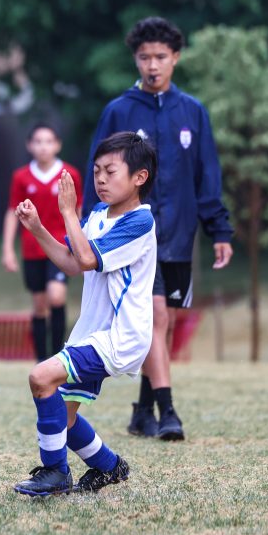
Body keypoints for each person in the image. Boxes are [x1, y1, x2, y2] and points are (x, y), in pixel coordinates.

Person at [82, 17, 233, 441]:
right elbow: (99, 171)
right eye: (145, 57)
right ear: (135, 59)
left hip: (179, 235)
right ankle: (168, 412)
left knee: (160, 324)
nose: (152, 65)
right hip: (134, 234)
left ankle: (141, 411)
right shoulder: (119, 110)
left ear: (176, 58)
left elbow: (207, 174)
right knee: (157, 316)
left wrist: (219, 230)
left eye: (161, 57)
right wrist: (91, 223)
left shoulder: (193, 111)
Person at [14, 131, 157, 497]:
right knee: (63, 414)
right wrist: (37, 229)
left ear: (139, 177)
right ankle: (110, 466)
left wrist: (67, 212)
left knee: (41, 377)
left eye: (110, 171)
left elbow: (89, 258)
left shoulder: (139, 222)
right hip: (91, 333)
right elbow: (72, 262)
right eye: (96, 172)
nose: (100, 179)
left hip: (120, 336)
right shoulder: (97, 216)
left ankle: (55, 473)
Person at [1, 124, 82, 360]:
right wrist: (7, 250)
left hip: (62, 247)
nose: (43, 146)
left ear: (57, 145)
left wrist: (81, 244)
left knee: (56, 296)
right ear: (29, 145)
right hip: (32, 248)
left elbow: (78, 210)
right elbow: (12, 212)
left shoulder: (69, 174)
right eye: (38, 141)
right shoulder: (21, 176)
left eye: (48, 141)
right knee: (39, 305)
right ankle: (41, 360)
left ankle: (58, 357)